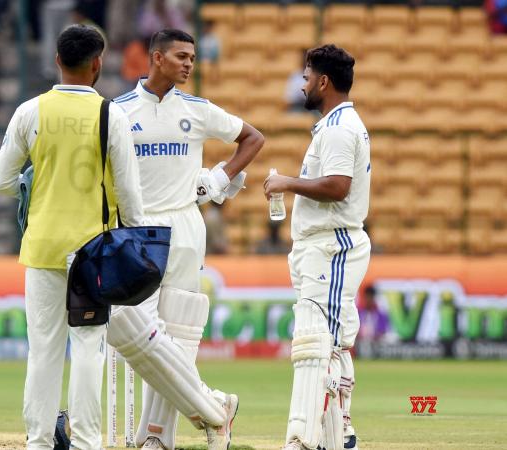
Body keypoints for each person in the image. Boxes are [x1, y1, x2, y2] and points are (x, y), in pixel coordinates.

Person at [0, 24, 145, 450]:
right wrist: (133, 239)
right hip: (93, 252)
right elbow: (130, 195)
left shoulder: (30, 111)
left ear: (57, 60)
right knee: (88, 349)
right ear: (98, 64)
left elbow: (0, 181)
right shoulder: (112, 115)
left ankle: (39, 442)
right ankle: (87, 442)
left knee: (42, 352)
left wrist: (34, 179)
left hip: (41, 247)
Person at [112, 29, 264, 450]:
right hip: (137, 229)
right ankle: (215, 407)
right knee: (132, 330)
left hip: (184, 227)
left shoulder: (197, 110)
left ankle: (156, 438)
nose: (189, 64)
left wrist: (219, 177)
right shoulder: (119, 111)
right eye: (181, 56)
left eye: (192, 58)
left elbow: (253, 138)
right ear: (156, 57)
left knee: (178, 335)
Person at [264, 44, 370, 450]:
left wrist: (287, 182)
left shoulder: (341, 127)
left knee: (316, 341)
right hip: (323, 245)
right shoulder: (335, 124)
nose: (302, 85)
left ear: (323, 81)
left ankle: (306, 438)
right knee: (333, 339)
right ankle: (339, 431)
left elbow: (338, 186)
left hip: (331, 244)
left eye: (307, 78)